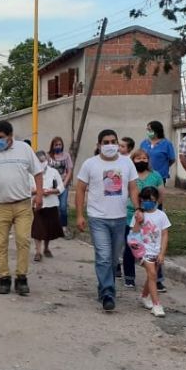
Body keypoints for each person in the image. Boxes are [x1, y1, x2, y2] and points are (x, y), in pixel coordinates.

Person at [76, 129, 141, 312]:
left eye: (113, 141)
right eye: (106, 142)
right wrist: (80, 214)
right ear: (99, 145)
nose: (110, 145)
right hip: (98, 218)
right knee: (104, 257)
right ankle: (108, 294)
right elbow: (80, 189)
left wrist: (138, 208)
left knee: (113, 260)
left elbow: (133, 188)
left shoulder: (127, 163)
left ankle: (104, 287)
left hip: (120, 218)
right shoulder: (90, 164)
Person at [0, 121, 43, 296]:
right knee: (0, 243)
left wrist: (39, 195)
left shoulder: (24, 149)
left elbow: (37, 172)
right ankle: (4, 278)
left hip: (22, 204)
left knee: (23, 240)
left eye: (0, 137)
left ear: (10, 136)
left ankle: (21, 278)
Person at [120, 149, 165, 290]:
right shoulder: (129, 175)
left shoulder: (156, 175)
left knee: (153, 247)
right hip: (130, 215)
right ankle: (129, 277)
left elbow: (161, 194)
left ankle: (157, 279)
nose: (142, 161)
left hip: (151, 217)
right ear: (132, 160)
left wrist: (152, 209)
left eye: (145, 158)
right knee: (131, 246)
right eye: (138, 158)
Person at [128, 186, 171, 317]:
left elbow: (165, 234)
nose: (147, 202)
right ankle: (156, 304)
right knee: (152, 274)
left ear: (156, 200)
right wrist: (138, 221)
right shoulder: (138, 215)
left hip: (156, 250)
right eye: (145, 200)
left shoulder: (161, 215)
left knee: (152, 276)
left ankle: (144, 295)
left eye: (151, 200)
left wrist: (162, 253)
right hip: (143, 250)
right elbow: (133, 233)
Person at [31, 150, 64, 262]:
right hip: (37, 204)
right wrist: (39, 191)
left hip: (51, 203)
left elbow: (61, 187)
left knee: (49, 228)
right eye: (39, 161)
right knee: (37, 229)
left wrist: (51, 191)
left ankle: (46, 248)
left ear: (47, 160)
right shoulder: (30, 173)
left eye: (43, 160)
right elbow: (27, 189)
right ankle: (38, 251)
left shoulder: (54, 172)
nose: (42, 163)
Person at [48, 136, 73, 238]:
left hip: (63, 185)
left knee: (63, 207)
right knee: (53, 207)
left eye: (60, 144)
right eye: (56, 145)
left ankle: (64, 228)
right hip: (52, 186)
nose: (58, 146)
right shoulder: (49, 156)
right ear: (52, 146)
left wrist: (64, 183)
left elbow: (69, 170)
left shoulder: (66, 156)